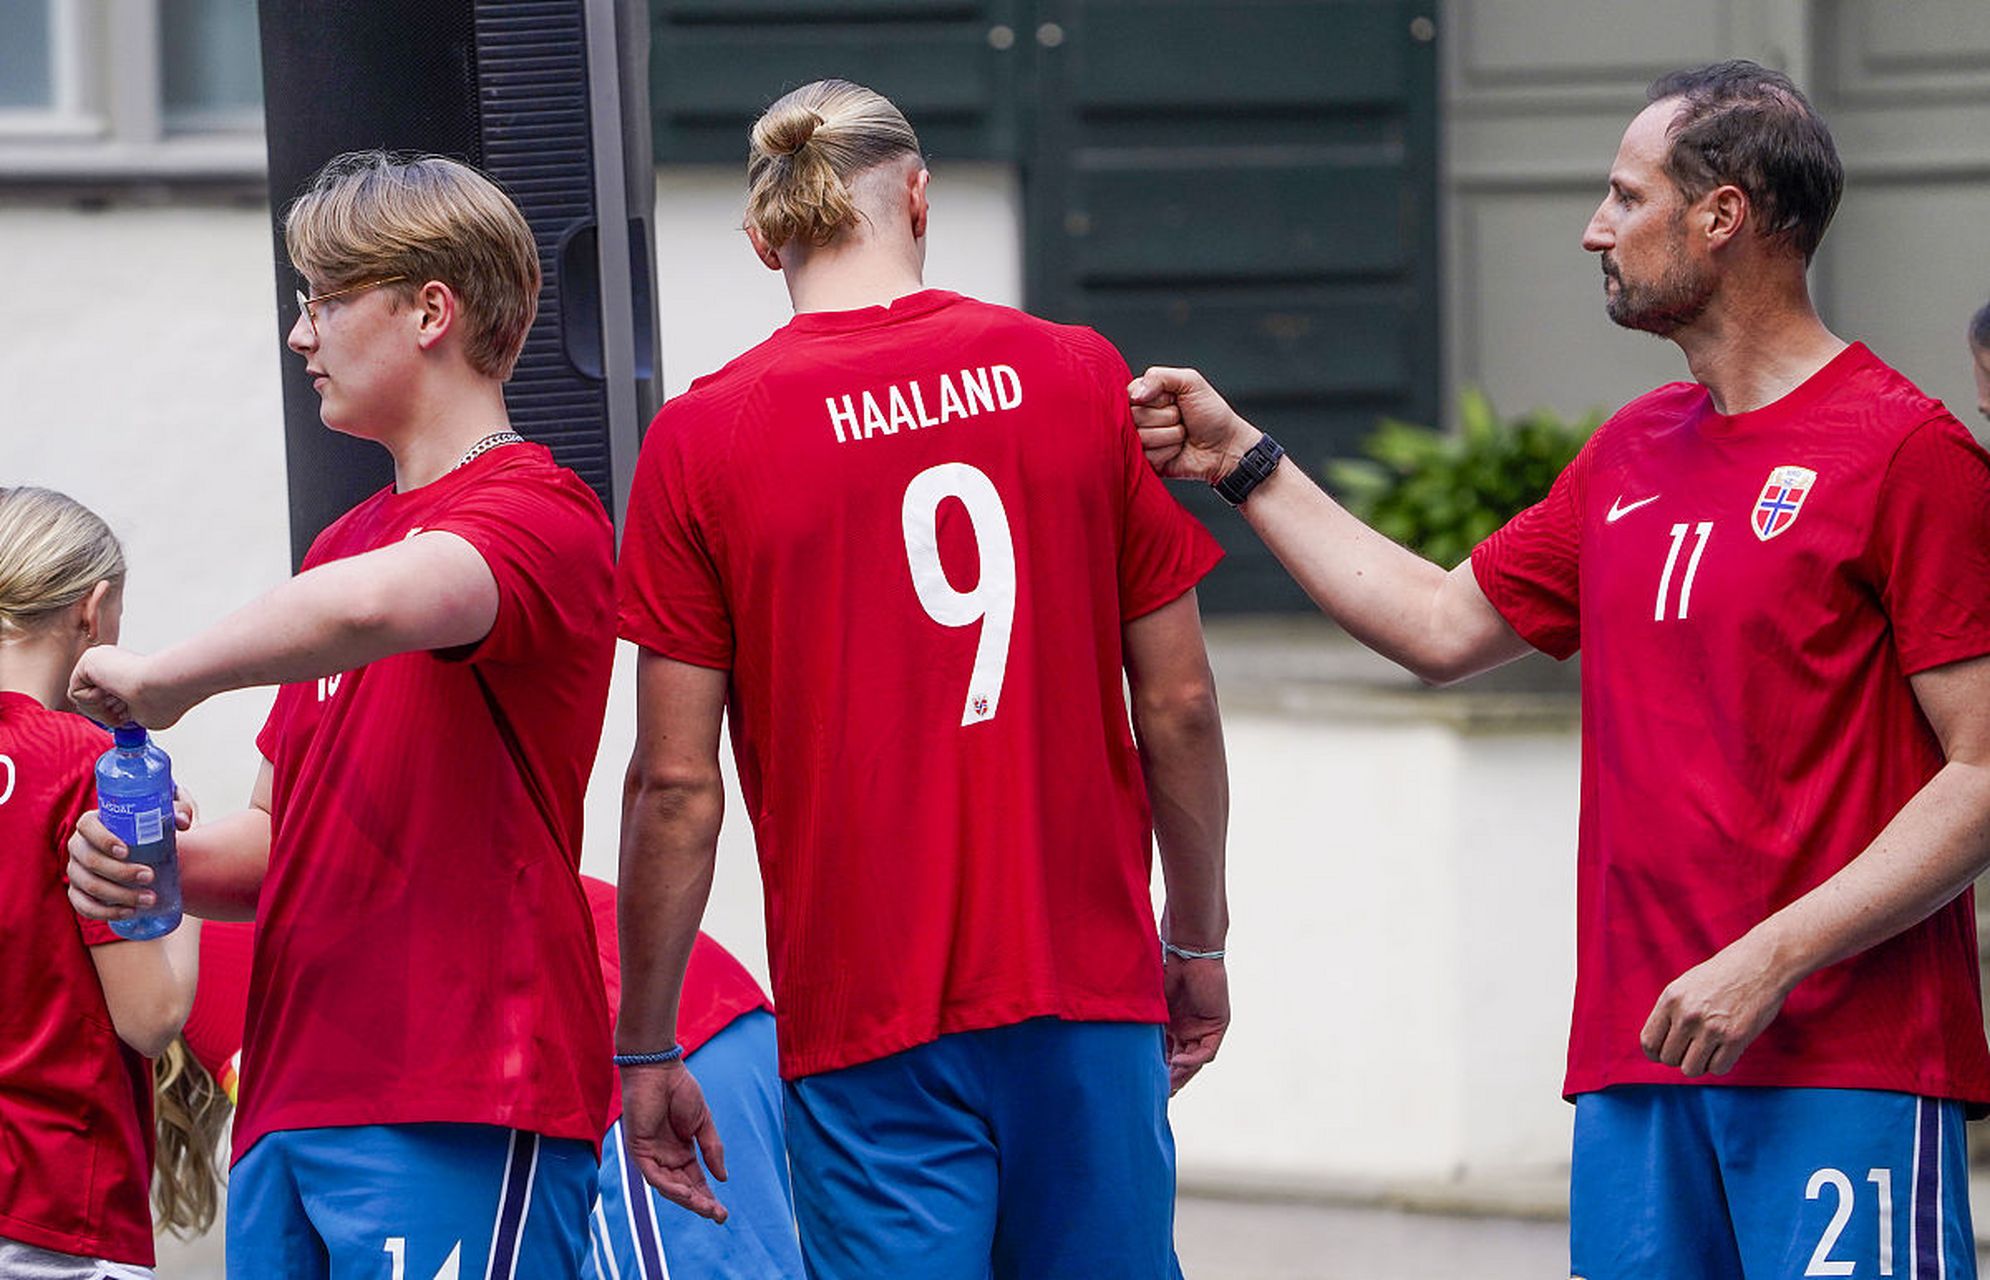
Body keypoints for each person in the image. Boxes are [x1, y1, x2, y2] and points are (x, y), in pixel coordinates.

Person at [1133, 60, 1990, 1278]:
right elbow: (1437, 622)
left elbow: (1981, 771)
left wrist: (1769, 956)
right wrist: (1241, 460)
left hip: (1842, 1063)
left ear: (1722, 216)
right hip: (1636, 1062)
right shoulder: (1632, 450)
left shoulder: (1909, 453)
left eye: (1626, 196)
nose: (1595, 228)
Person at [614, 79, 1232, 1280]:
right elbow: (1180, 703)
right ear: (918, 197)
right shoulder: (1074, 372)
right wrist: (1196, 935)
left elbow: (675, 785)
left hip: (866, 1015)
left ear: (764, 240)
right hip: (1085, 987)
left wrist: (647, 1044)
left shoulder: (702, 438)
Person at [63, 151, 617, 1280]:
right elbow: (280, 846)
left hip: (458, 1088)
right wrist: (149, 860)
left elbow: (384, 604)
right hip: (293, 1099)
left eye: (322, 300)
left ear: (430, 311)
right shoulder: (342, 544)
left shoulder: (539, 510)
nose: (299, 334)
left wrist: (169, 678)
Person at [155, 878, 803, 1280]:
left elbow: (291, 1216)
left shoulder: (185, 987)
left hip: (636, 1047)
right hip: (697, 1017)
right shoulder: (218, 928)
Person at [0, 486, 201, 1279]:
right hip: (53, 1205)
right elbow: (152, 1016)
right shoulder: (87, 767)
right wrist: (176, 869)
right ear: (93, 608)